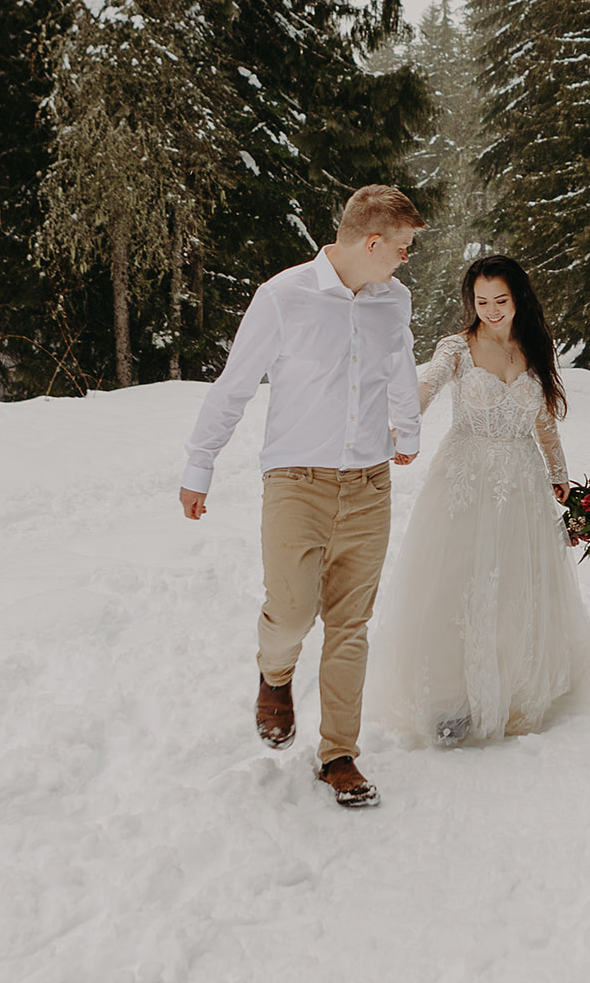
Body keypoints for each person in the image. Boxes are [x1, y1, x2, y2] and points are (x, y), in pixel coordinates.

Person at [178, 184, 426, 808]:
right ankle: (275, 675)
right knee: (291, 612)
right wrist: (199, 462)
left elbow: (400, 363)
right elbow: (234, 385)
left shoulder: (393, 300)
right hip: (296, 483)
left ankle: (339, 754)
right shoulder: (283, 296)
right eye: (400, 248)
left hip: (369, 484)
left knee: (350, 625)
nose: (405, 260)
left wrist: (408, 429)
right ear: (372, 242)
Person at [371, 254, 590, 747]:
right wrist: (402, 430)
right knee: (456, 581)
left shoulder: (533, 347)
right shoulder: (458, 347)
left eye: (501, 301)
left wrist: (559, 477)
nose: (491, 310)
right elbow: (424, 386)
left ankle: (510, 690)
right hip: (465, 477)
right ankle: (450, 700)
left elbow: (544, 422)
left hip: (522, 483)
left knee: (515, 580)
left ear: (518, 300)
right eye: (481, 301)